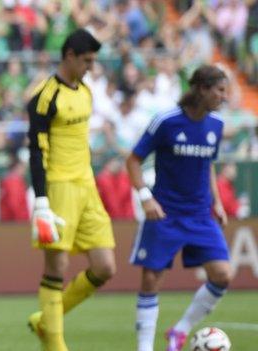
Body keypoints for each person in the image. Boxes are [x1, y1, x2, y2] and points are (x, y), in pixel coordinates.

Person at [125, 65, 231, 351]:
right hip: (165, 213)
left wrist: (217, 202)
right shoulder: (166, 121)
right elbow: (133, 159)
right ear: (202, 89)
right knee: (150, 279)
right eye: (220, 90)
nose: (224, 96)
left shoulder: (216, 125)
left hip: (200, 214)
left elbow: (207, 163)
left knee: (223, 275)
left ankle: (179, 331)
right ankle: (144, 348)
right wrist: (146, 197)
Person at [26, 29, 116, 351]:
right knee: (57, 267)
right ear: (70, 56)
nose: (91, 66)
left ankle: (45, 321)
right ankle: (55, 344)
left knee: (105, 267)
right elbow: (36, 151)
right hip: (60, 186)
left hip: (87, 185)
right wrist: (41, 201)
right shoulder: (45, 97)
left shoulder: (86, 91)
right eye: (87, 60)